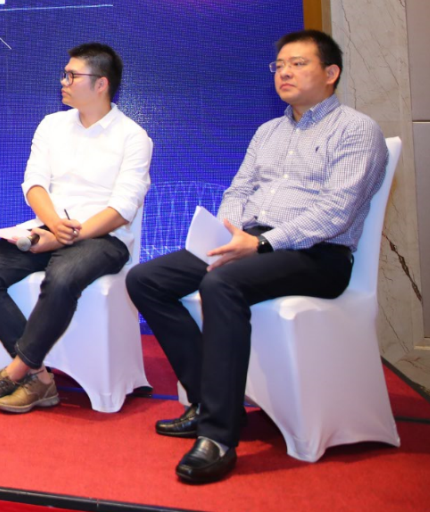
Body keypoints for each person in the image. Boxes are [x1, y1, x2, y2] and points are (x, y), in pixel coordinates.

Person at [126, 30, 388, 484]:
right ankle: (208, 399)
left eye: (298, 64)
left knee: (221, 282)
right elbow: (239, 189)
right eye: (279, 65)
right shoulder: (269, 131)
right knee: (147, 279)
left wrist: (263, 244)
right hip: (251, 243)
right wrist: (233, 231)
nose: (284, 73)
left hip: (318, 255)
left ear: (331, 73)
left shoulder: (356, 130)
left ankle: (218, 436)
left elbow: (336, 211)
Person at [0, 43, 152, 412]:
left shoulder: (133, 137)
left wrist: (67, 237)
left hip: (103, 238)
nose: (63, 81)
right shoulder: (52, 125)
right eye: (64, 74)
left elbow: (122, 208)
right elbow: (34, 183)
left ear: (101, 84)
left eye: (72, 76)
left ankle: (14, 373)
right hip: (48, 228)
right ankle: (39, 378)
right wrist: (52, 227)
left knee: (62, 277)